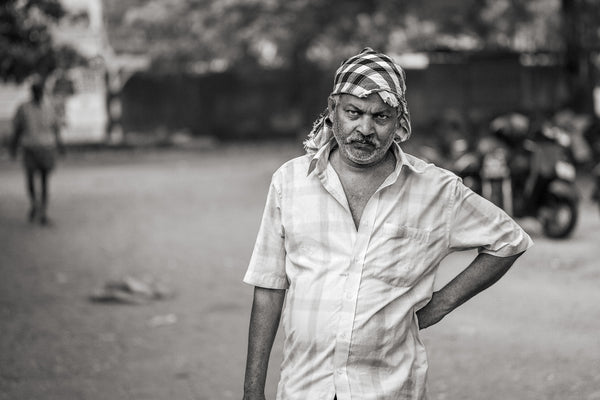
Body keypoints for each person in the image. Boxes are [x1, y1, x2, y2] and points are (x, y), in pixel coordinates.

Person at [242, 48, 533, 400]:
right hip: (305, 388)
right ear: (333, 112)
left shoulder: (436, 190)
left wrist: (440, 304)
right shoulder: (289, 182)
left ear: (399, 123)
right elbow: (269, 287)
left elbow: (508, 240)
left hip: (392, 390)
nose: (365, 129)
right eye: (354, 112)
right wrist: (252, 389)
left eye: (380, 116)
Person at [10, 78, 64, 225]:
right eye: (36, 91)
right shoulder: (24, 109)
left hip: (46, 148)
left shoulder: (49, 107)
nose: (38, 94)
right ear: (32, 92)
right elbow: (18, 129)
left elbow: (56, 128)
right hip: (30, 148)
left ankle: (43, 212)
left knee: (45, 180)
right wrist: (13, 147)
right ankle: (34, 203)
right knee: (30, 180)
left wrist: (60, 145)